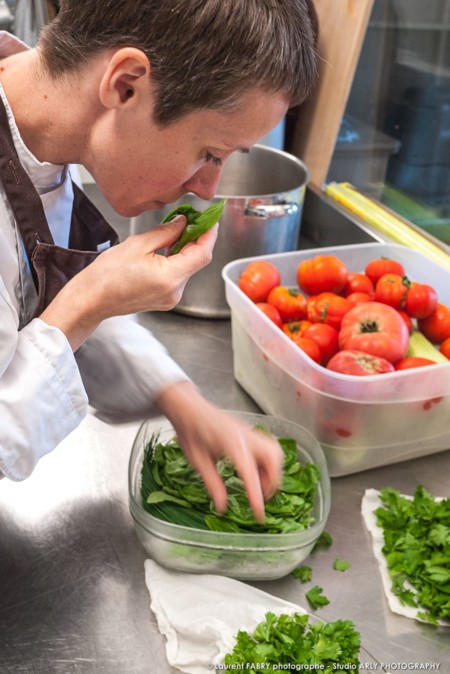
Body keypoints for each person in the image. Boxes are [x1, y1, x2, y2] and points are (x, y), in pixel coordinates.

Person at [0, 0, 318, 522]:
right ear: (125, 84)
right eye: (211, 153)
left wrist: (177, 397)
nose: (206, 188)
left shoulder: (48, 131)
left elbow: (32, 301)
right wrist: (89, 302)